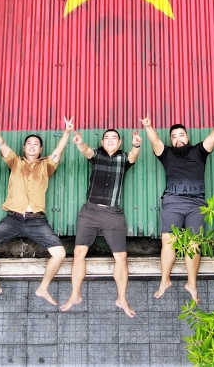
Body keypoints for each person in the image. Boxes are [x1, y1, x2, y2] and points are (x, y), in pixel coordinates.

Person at [0, 115, 73, 305]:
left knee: (60, 253)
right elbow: (2, 145)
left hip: (37, 220)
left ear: (40, 149)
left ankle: (43, 288)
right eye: (29, 143)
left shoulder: (47, 165)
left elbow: (59, 150)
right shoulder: (15, 162)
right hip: (13, 218)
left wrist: (67, 132)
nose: (32, 146)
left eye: (36, 144)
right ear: (23, 148)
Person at [143, 108, 214, 304]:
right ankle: (165, 280)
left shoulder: (199, 152)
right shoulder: (166, 154)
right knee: (168, 240)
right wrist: (148, 126)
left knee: (194, 243)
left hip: (196, 204)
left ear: (188, 136)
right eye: (174, 136)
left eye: (181, 135)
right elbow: (155, 141)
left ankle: (191, 284)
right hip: (172, 201)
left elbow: (213, 137)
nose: (178, 139)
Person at [60, 128, 142, 317]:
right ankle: (75, 295)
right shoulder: (96, 155)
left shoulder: (124, 158)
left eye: (114, 138)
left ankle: (122, 298)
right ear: (103, 142)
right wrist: (79, 142)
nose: (111, 140)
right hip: (90, 211)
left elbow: (134, 155)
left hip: (113, 213)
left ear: (120, 143)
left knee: (121, 257)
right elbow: (86, 150)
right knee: (79, 252)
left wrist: (136, 144)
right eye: (107, 138)